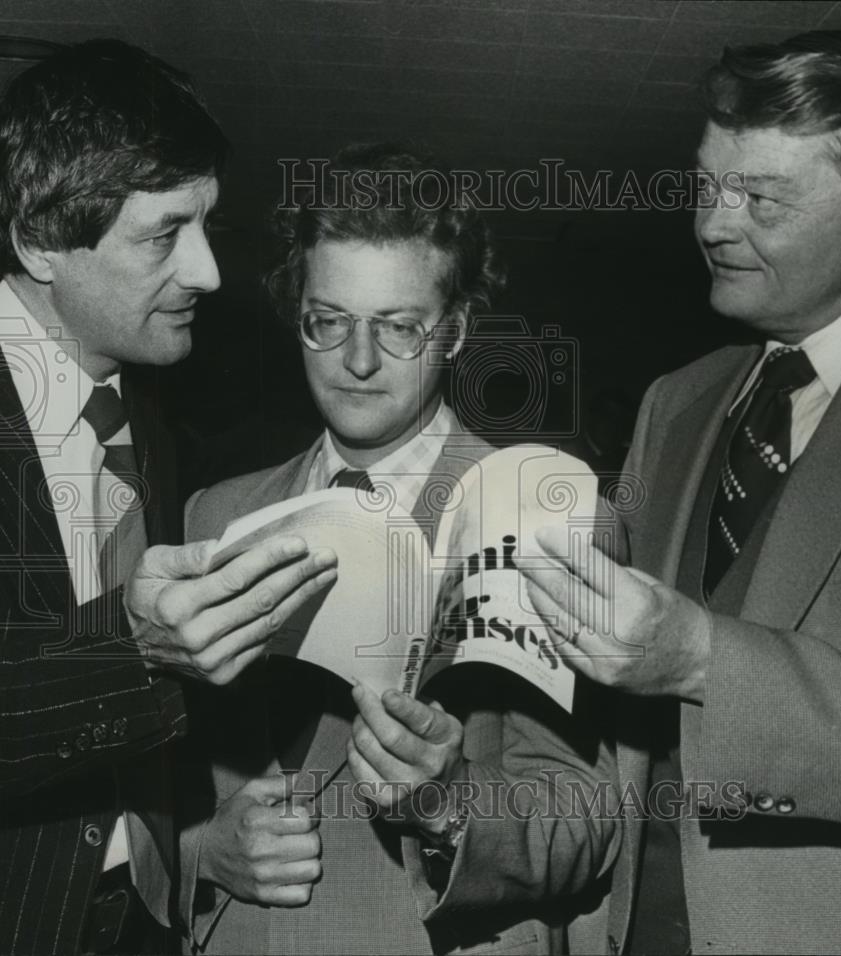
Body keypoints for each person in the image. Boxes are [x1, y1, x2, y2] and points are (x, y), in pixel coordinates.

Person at [518, 30, 841, 955]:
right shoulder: (675, 403)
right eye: (705, 186)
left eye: (760, 198)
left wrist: (705, 662)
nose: (714, 225)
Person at [176, 143, 621, 955]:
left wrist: (450, 802)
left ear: (454, 332)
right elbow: (154, 785)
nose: (356, 360)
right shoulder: (218, 515)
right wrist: (199, 850)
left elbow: (586, 820)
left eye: (399, 327)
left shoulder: (544, 514)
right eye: (328, 321)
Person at [0, 40, 338, 956]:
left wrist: (191, 846)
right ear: (39, 241)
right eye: (163, 235)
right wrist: (130, 651)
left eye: (207, 226)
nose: (207, 273)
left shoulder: (143, 423)